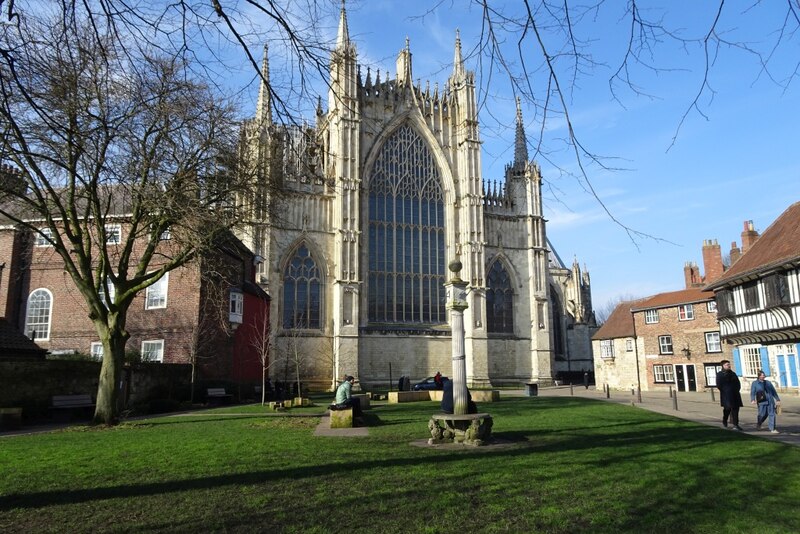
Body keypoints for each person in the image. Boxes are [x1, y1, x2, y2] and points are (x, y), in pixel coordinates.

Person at [716, 360, 743, 430]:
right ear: (723, 366)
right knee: (727, 409)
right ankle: (725, 419)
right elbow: (719, 385)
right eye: (727, 365)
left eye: (729, 364)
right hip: (726, 395)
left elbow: (738, 383)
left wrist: (737, 390)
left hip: (735, 394)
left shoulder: (733, 373)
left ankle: (735, 425)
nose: (729, 366)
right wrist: (725, 391)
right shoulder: (720, 374)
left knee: (735, 409)